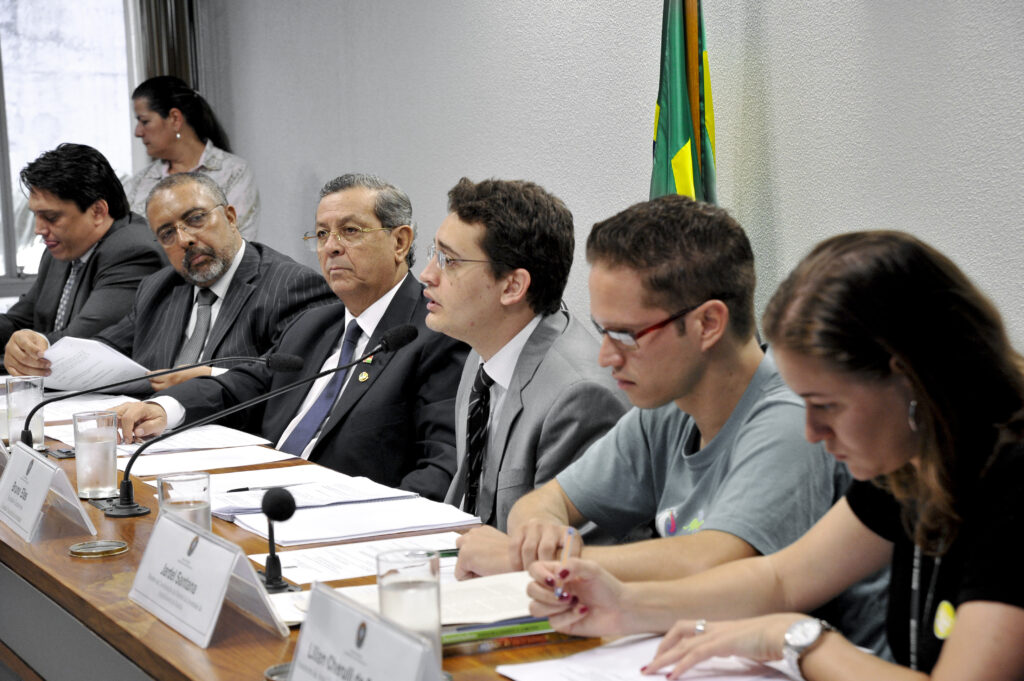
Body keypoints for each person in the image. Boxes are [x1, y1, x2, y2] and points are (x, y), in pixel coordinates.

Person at [527, 230, 1024, 679]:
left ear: (908, 379)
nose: (811, 431)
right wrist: (623, 605)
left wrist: (798, 639)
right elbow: (781, 579)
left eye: (826, 405)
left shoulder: (1011, 477)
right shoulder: (915, 463)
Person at [457, 195, 887, 652]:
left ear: (707, 324)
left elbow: (714, 561)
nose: (605, 356)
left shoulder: (792, 417)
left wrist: (530, 560)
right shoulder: (667, 406)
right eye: (603, 332)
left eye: (625, 335)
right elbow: (546, 502)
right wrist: (539, 530)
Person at [115, 173, 469, 500]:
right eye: (321, 234)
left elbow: (441, 468)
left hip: (345, 520)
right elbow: (243, 386)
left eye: (349, 231)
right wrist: (164, 408)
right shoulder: (315, 325)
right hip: (261, 501)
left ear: (399, 241)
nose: (331, 247)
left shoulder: (433, 334)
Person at [419, 177, 628, 530]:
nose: (426, 275)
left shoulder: (580, 397)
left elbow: (566, 558)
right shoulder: (482, 352)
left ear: (512, 286)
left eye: (449, 261)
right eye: (434, 253)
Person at [4, 172, 334, 391]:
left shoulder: (290, 285)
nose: (185, 239)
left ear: (231, 217)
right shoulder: (159, 288)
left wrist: (209, 376)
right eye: (167, 233)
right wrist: (40, 352)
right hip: (150, 443)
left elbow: (296, 379)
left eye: (195, 219)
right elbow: (105, 349)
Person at [1, 143, 164, 370]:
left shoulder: (133, 251)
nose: (38, 229)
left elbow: (78, 346)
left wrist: (19, 353)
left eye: (50, 217)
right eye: (36, 215)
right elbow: (21, 321)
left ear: (97, 211)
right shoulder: (61, 248)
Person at [123, 76, 261, 238]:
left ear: (175, 118)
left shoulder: (233, 173)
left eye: (144, 121)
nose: (137, 132)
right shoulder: (138, 184)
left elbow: (239, 244)